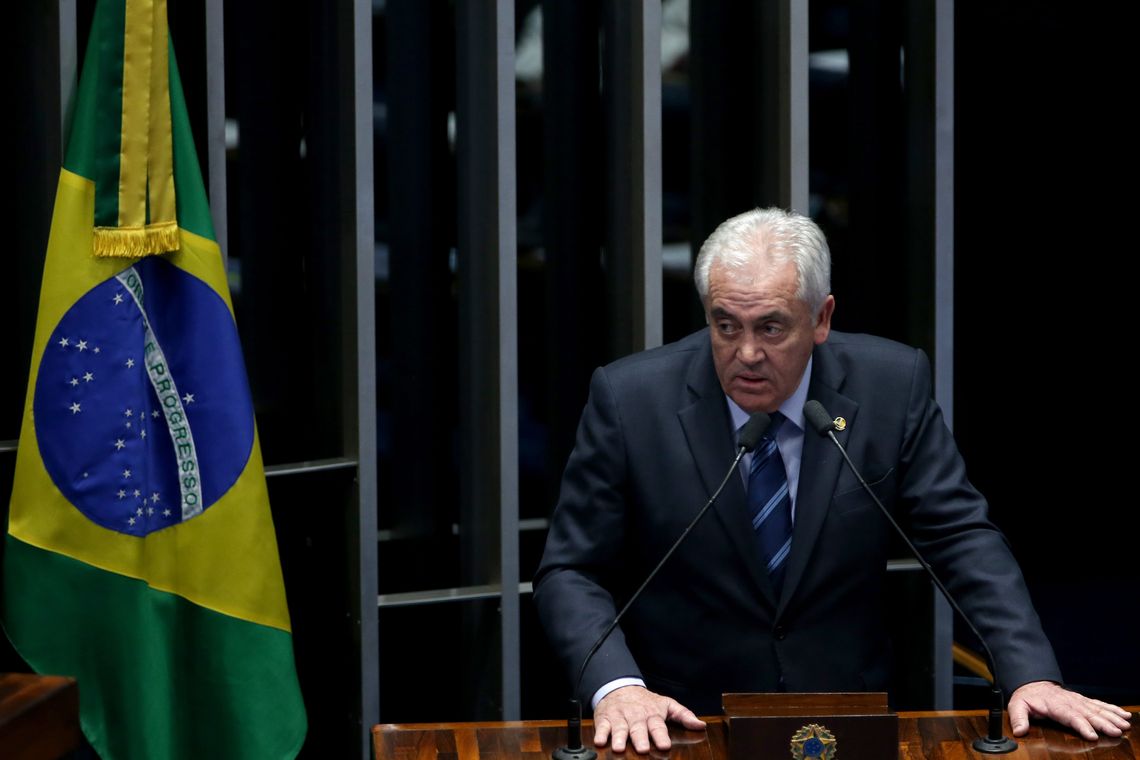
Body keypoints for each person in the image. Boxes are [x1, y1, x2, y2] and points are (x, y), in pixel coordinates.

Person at [532, 208, 1131, 754]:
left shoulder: (890, 386)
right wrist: (616, 685)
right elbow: (571, 569)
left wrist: (1029, 671)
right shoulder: (632, 400)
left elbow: (960, 538)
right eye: (725, 326)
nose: (745, 353)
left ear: (821, 318)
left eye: (771, 328)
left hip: (850, 720)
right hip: (683, 725)